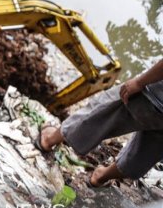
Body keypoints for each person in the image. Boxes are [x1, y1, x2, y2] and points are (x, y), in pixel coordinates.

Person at [36, 59, 163, 187]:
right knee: (148, 151)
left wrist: (140, 82)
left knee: (102, 112)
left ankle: (49, 140)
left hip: (154, 96)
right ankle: (101, 177)